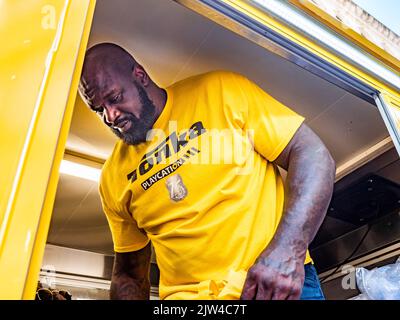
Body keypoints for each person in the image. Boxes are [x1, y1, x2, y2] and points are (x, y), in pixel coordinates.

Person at [78, 42, 336, 300]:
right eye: (99, 109)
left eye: (114, 98)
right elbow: (129, 274)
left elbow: (313, 155)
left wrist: (287, 251)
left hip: (269, 285)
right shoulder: (112, 176)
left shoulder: (221, 91)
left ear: (140, 75)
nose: (110, 116)